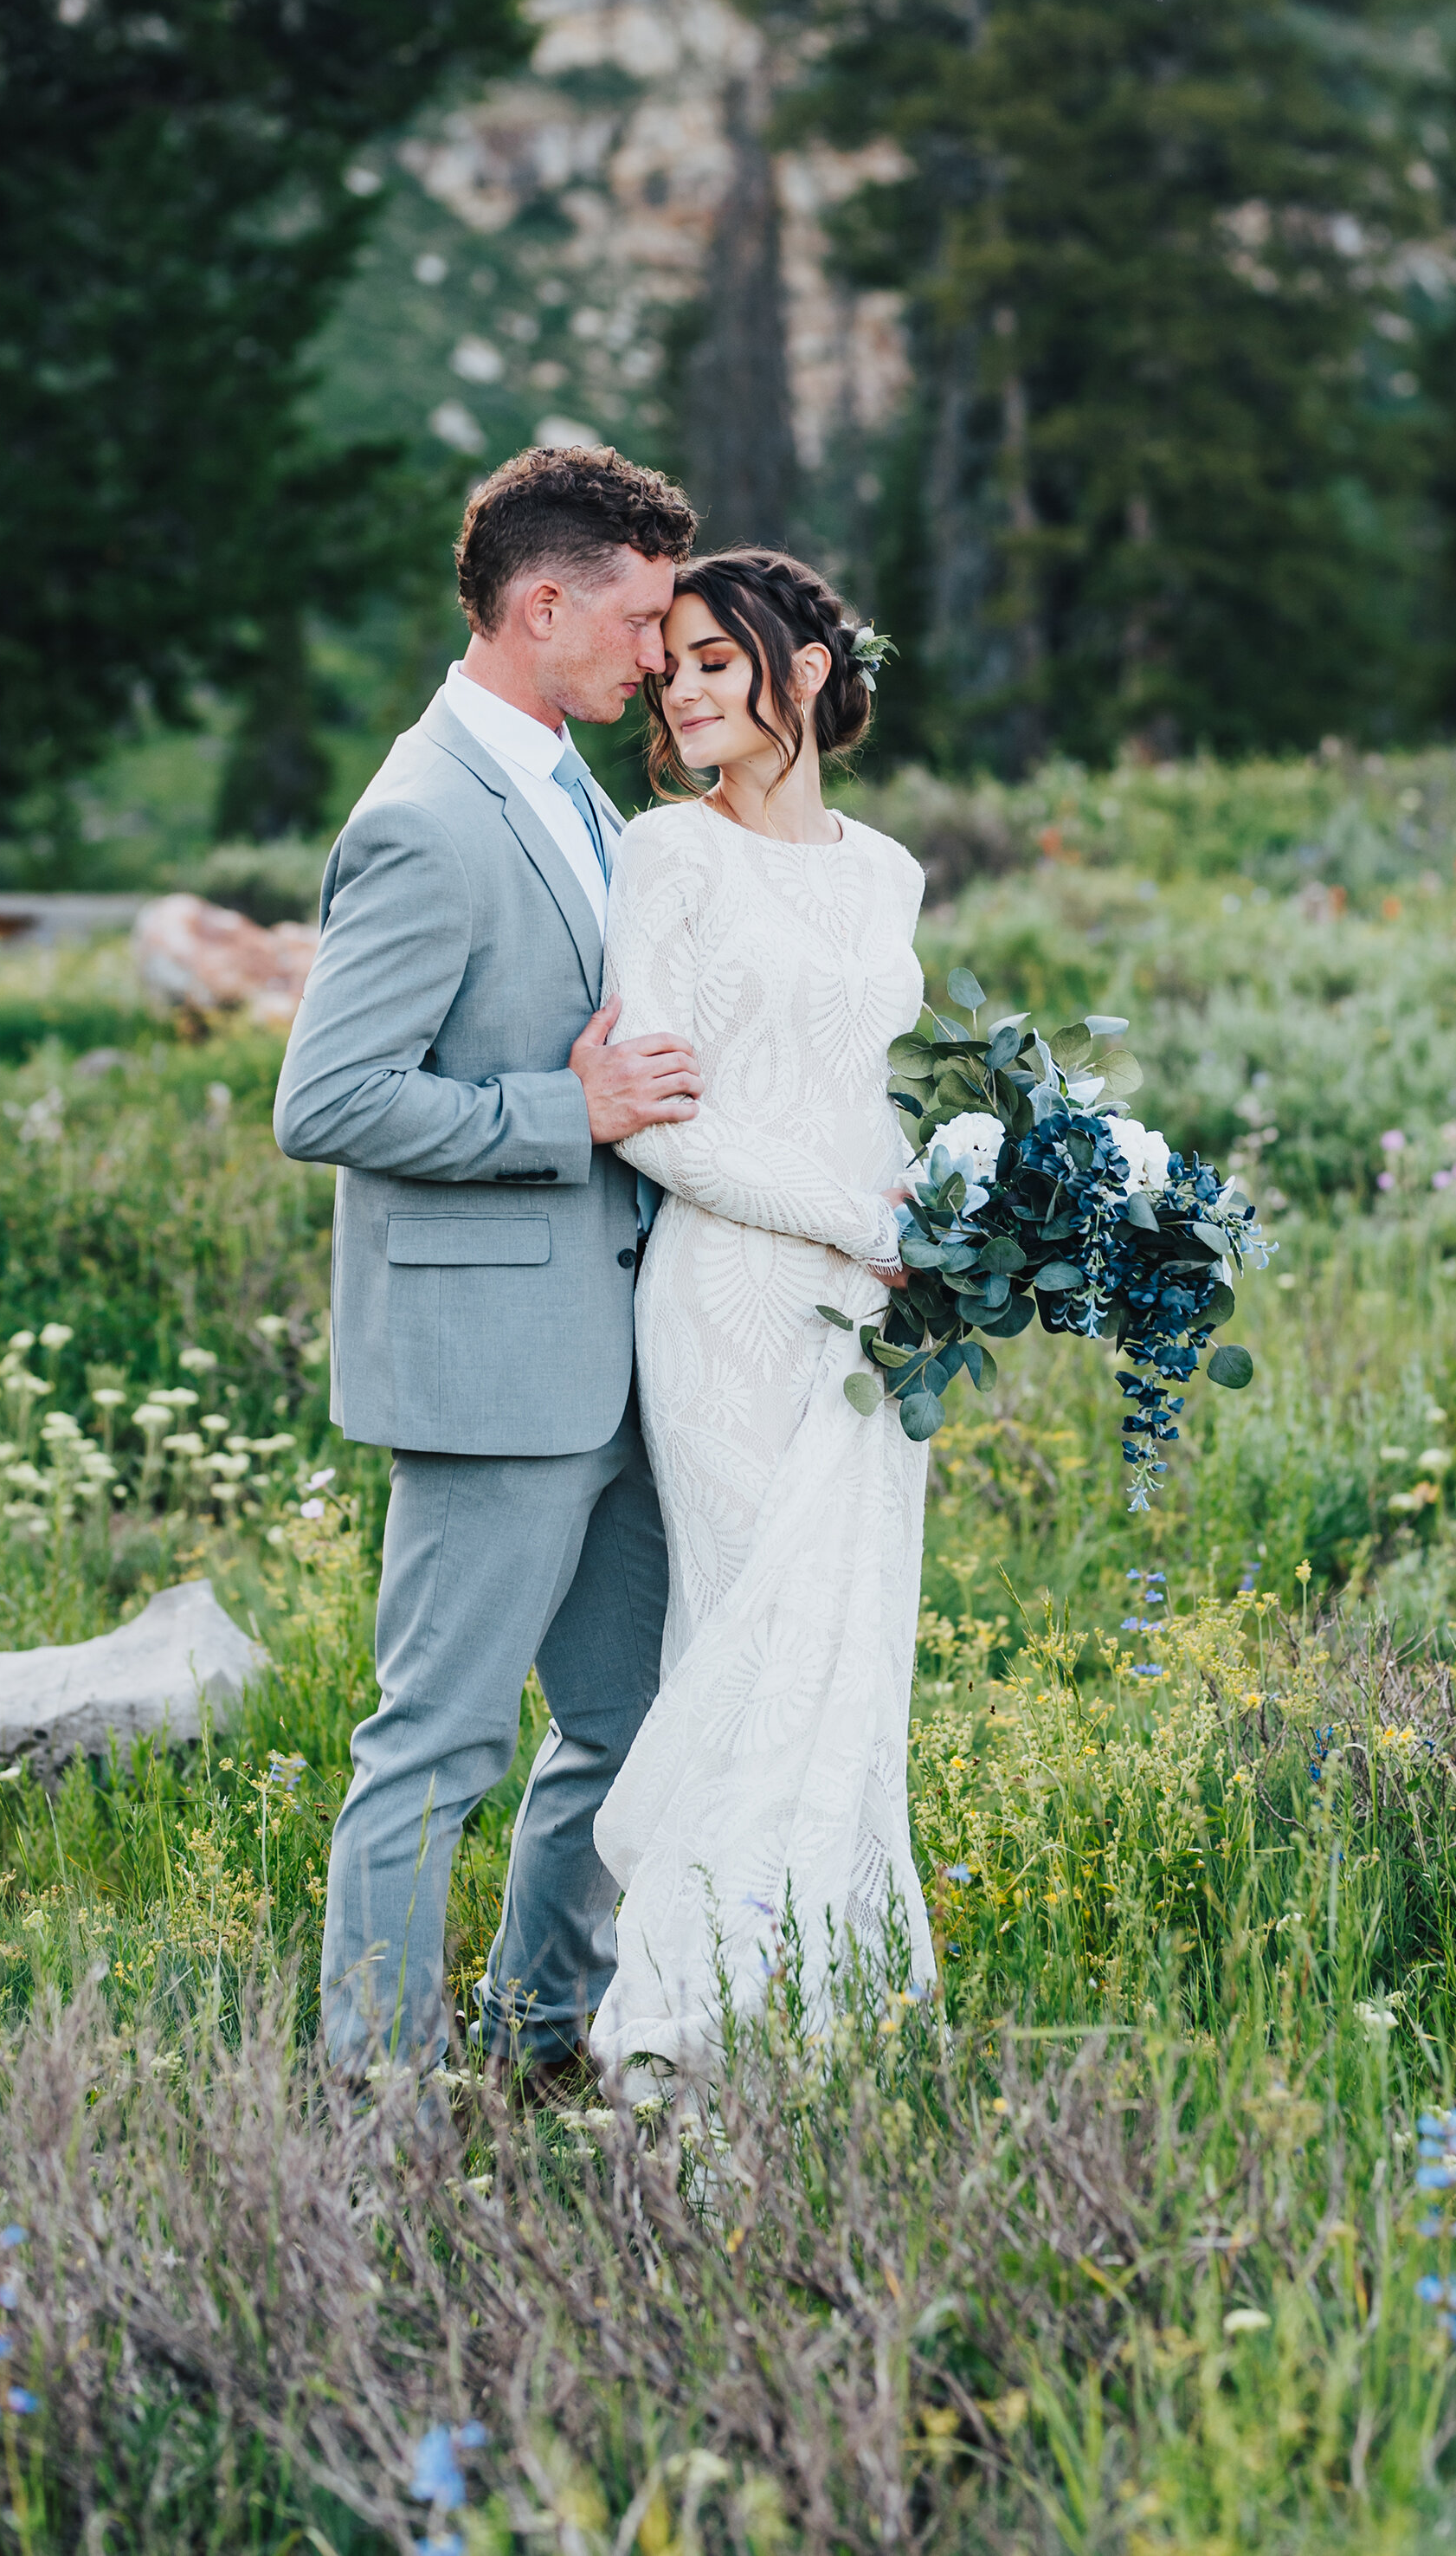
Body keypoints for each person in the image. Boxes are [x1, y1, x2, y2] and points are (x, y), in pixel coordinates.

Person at [274, 440, 700, 2082]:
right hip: (488, 1381)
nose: (656, 655)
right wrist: (565, 1109)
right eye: (642, 619)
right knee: (435, 1752)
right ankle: (373, 2110)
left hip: (618, 1360)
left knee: (622, 1729)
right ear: (543, 605)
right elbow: (328, 1098)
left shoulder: (568, 786)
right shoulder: (425, 819)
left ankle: (538, 2041)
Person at [587, 545, 937, 2080]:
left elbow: (872, 1093)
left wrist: (953, 1206)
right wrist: (856, 1223)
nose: (682, 690)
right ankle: (684, 2021)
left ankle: (826, 2009)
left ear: (804, 669)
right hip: (731, 1297)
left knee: (852, 1646)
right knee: (749, 1636)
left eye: (715, 660)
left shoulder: (888, 870)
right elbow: (658, 1122)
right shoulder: (670, 857)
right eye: (669, 666)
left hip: (874, 1318)